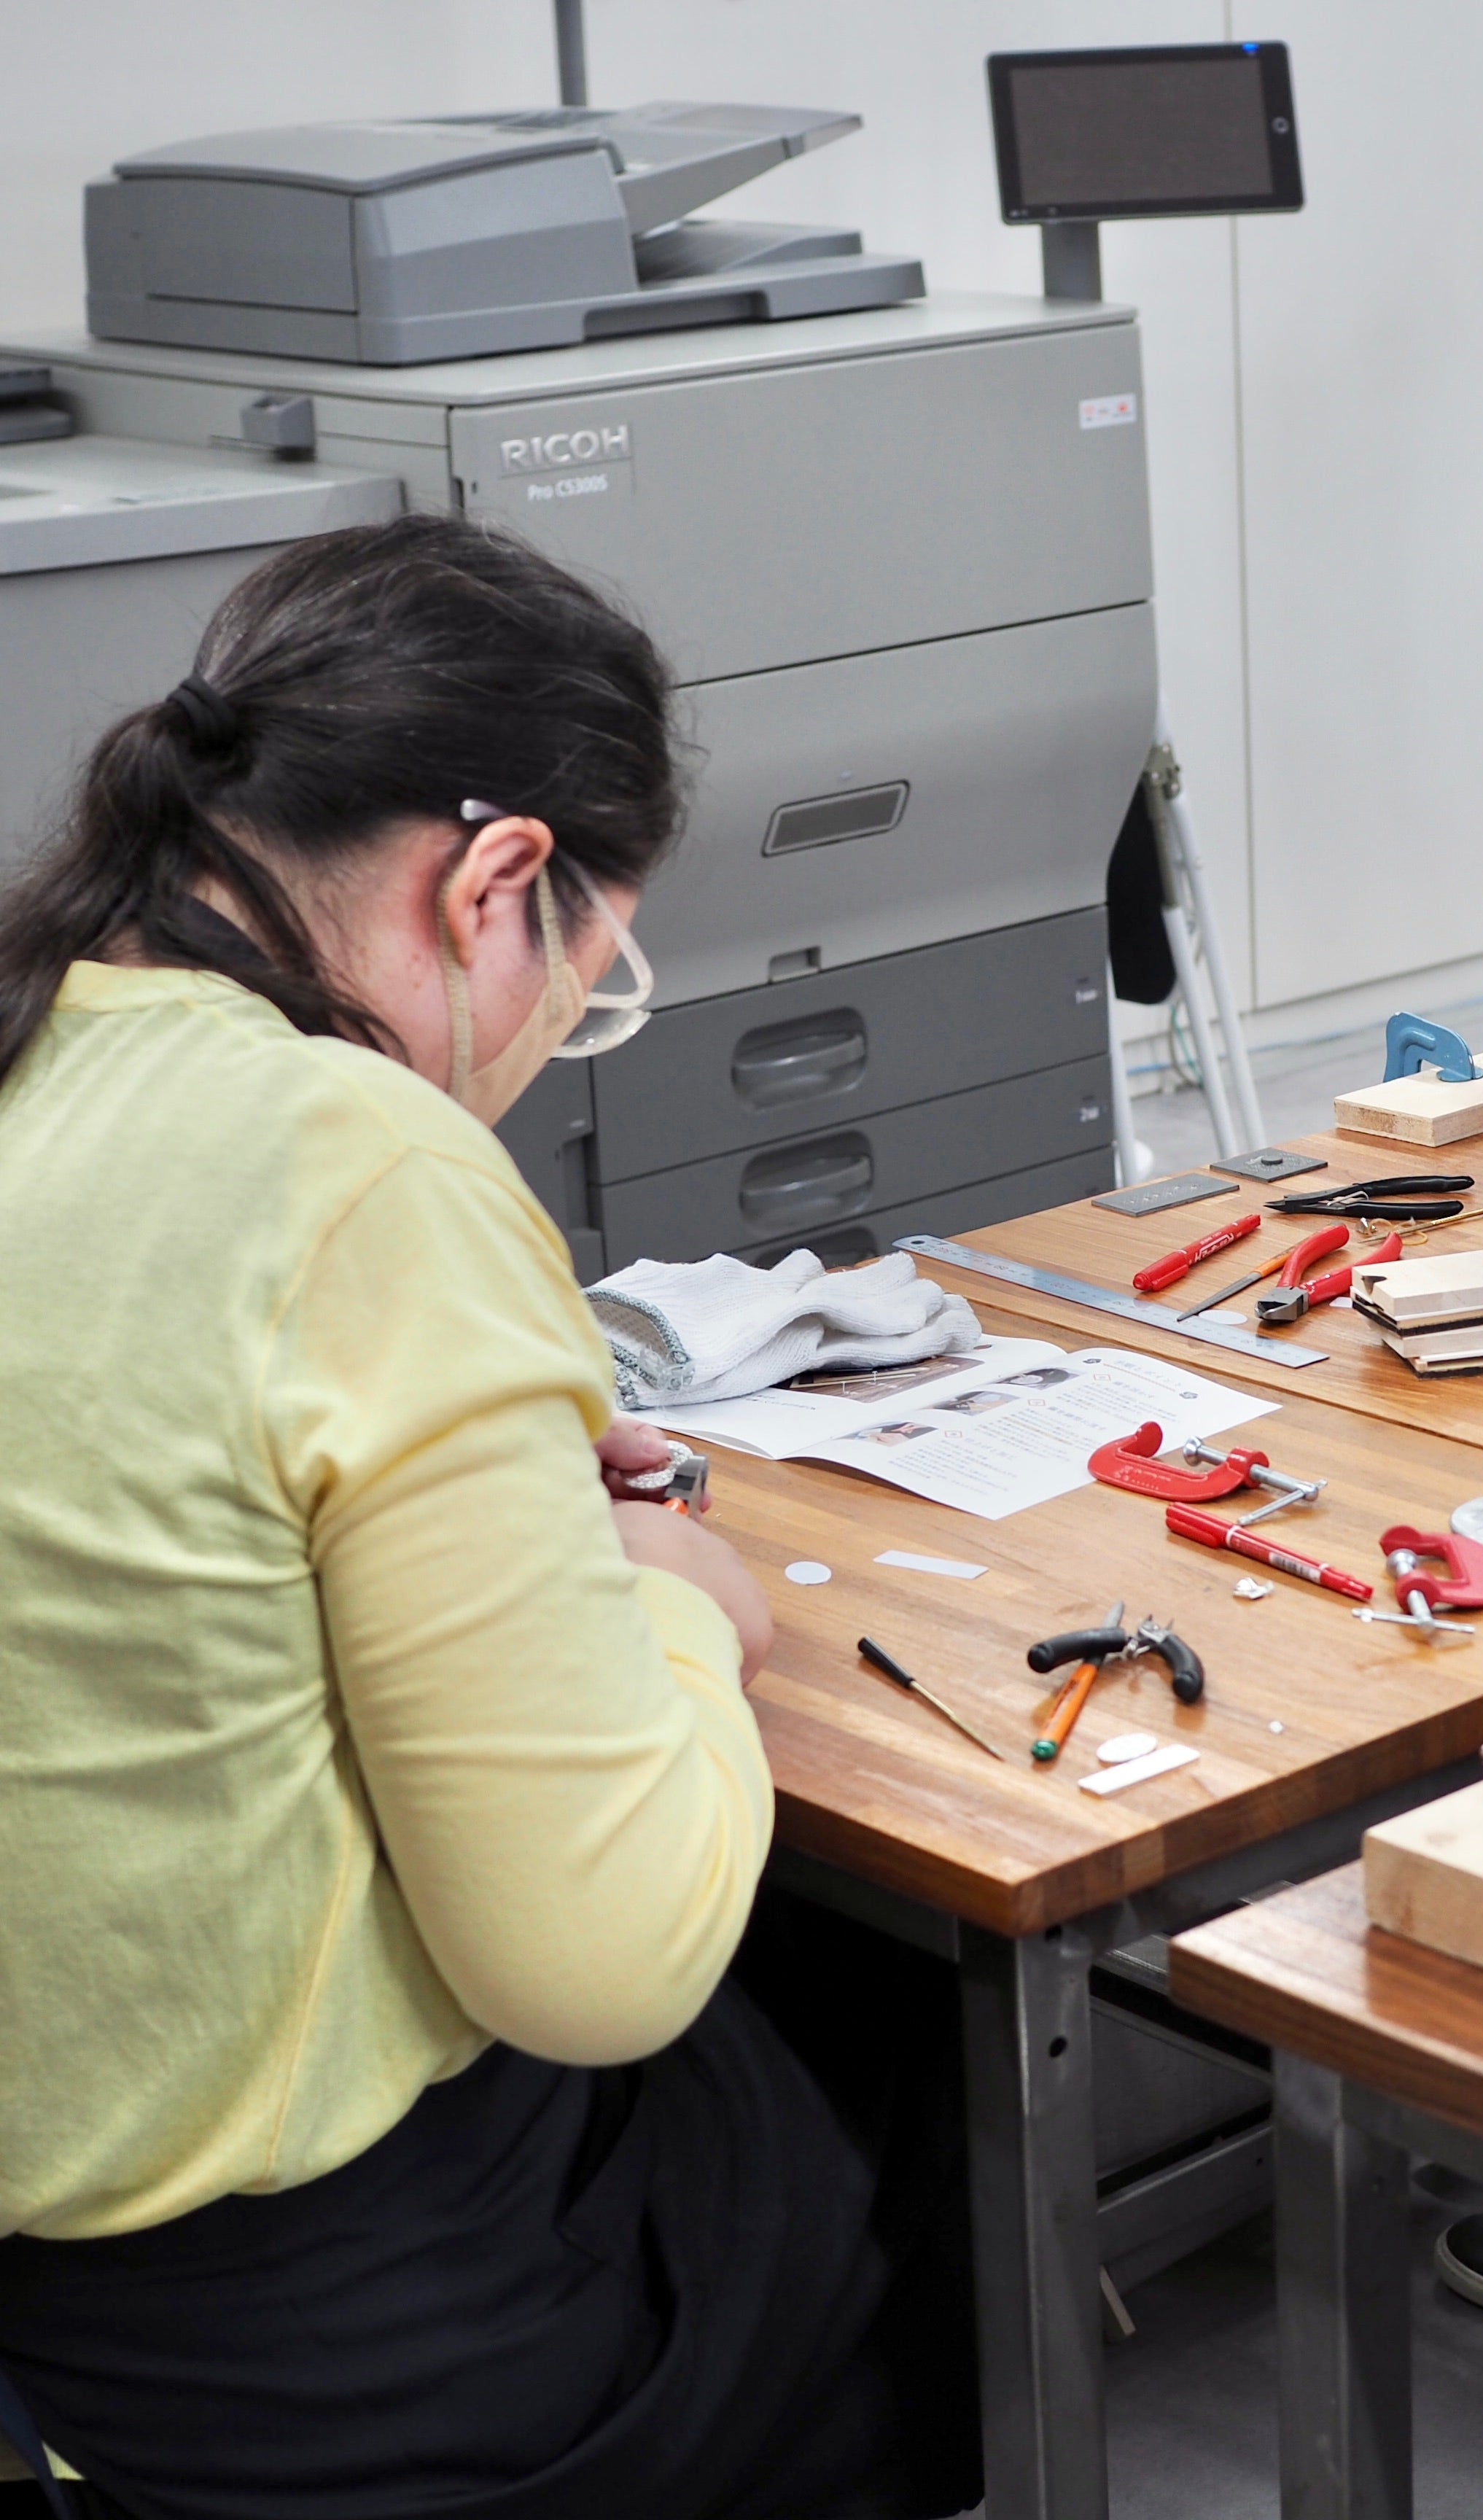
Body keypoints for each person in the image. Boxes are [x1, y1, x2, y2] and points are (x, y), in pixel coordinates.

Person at [0, 515, 979, 2519]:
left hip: (58, 2282)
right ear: (497, 882)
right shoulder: (358, 1158)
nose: (549, 1054)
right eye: (587, 991)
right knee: (876, 2002)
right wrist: (681, 1602)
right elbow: (596, 1968)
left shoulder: (38, 1047)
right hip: (316, 2342)